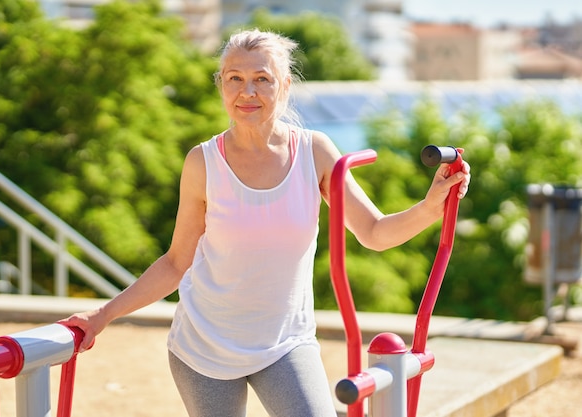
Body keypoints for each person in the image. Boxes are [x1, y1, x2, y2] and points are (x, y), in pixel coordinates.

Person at [60, 29, 471, 417]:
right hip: (205, 347)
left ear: (285, 85)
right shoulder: (202, 163)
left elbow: (376, 233)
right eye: (235, 78)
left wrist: (431, 204)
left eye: (262, 78)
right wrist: (102, 316)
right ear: (221, 84)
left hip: (285, 345)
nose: (248, 91)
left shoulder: (315, 152)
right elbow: (174, 262)